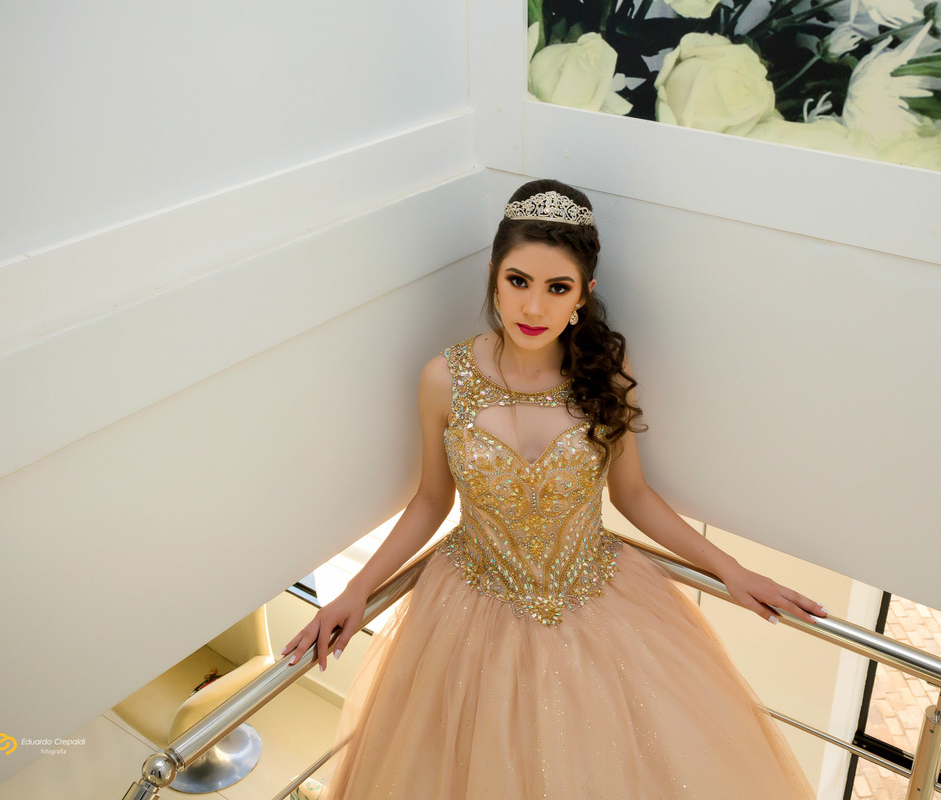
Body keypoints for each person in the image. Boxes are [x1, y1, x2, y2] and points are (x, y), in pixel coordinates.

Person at [280, 178, 827, 799]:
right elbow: (432, 500)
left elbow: (633, 496)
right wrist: (356, 590)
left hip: (598, 599)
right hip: (469, 607)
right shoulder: (442, 379)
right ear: (493, 277)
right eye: (518, 281)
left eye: (557, 288)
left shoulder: (605, 379)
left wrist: (732, 571)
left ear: (584, 295)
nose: (533, 308)